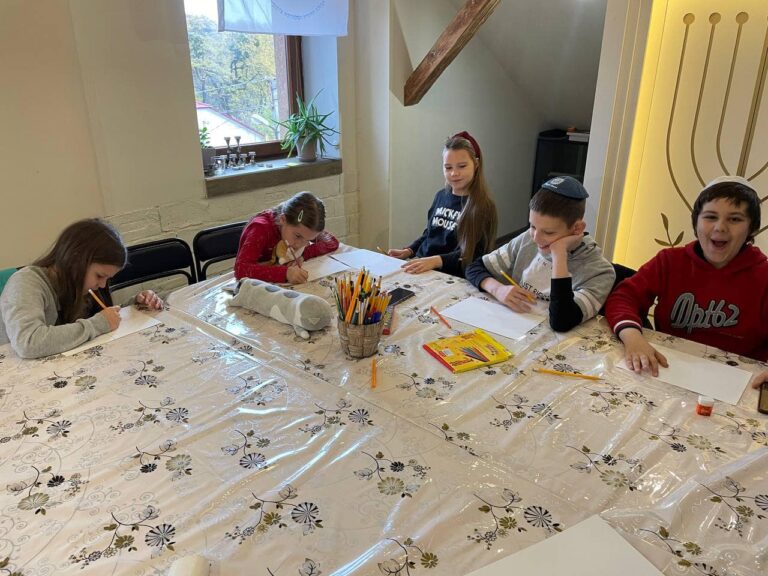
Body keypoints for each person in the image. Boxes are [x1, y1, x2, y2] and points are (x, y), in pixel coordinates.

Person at [604, 177, 768, 392]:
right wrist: (633, 337)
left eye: (735, 219)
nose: (720, 227)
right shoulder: (670, 261)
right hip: (667, 372)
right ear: (696, 222)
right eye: (710, 217)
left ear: (751, 228)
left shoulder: (764, 275)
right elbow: (624, 297)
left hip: (737, 385)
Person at [465, 176, 615, 332]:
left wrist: (559, 254)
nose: (536, 238)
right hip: (511, 328)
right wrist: (498, 289)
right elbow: (474, 268)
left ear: (577, 228)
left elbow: (561, 321)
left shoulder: (600, 272)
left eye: (549, 232)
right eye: (532, 226)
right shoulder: (528, 239)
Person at [0, 218, 163, 359]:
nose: (102, 285)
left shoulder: (78, 284)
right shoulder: (25, 283)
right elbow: (28, 342)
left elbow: (93, 320)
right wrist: (97, 324)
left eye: (107, 279)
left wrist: (135, 305)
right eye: (99, 276)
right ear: (75, 260)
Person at [388, 132, 498, 276]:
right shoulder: (441, 196)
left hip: (450, 275)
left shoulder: (483, 207)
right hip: (423, 266)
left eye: (462, 166)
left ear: (476, 164)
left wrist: (435, 261)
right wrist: (409, 250)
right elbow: (430, 233)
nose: (454, 173)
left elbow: (472, 255)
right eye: (448, 167)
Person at [234, 191, 339, 284]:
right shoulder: (260, 228)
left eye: (308, 240)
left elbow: (332, 242)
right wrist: (285, 273)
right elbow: (240, 269)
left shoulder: (303, 228)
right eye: (298, 236)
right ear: (283, 220)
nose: (299, 245)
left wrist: (303, 255)